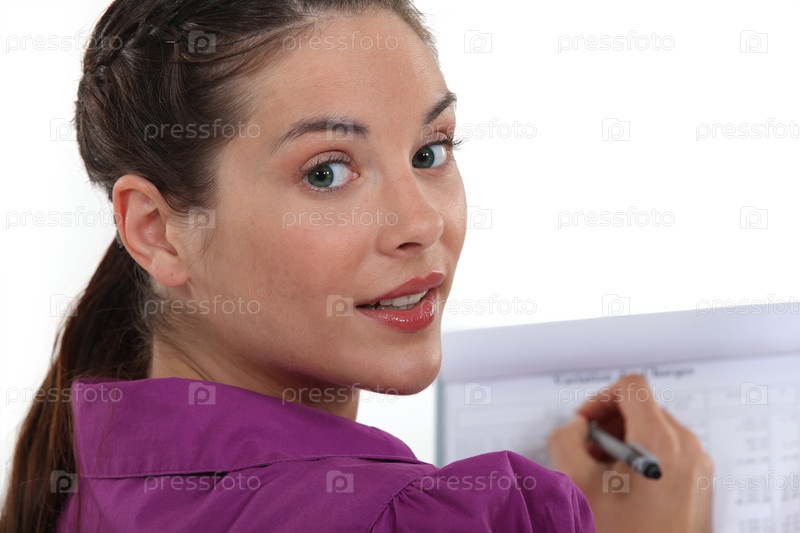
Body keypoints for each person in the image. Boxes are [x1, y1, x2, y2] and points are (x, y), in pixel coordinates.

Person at [0, 1, 713, 531]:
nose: (421, 224)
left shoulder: (89, 478)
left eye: (430, 152)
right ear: (156, 231)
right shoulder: (412, 518)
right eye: (327, 173)